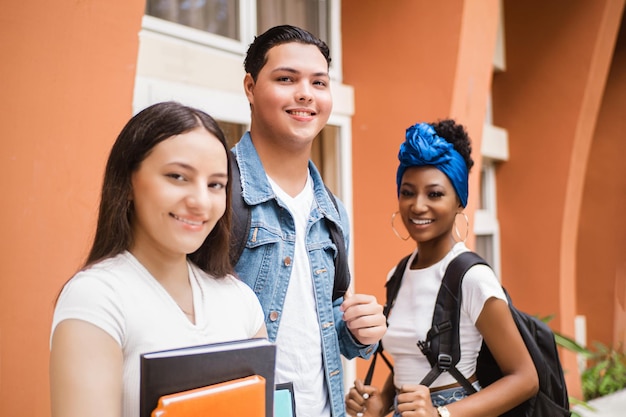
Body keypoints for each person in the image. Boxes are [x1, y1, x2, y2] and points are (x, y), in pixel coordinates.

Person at [49, 101, 267, 417]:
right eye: (178, 176)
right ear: (127, 183)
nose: (200, 201)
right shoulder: (96, 298)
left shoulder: (239, 299)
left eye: (216, 184)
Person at [231, 25, 387, 417]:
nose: (305, 93)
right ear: (250, 87)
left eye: (319, 82)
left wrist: (356, 329)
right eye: (286, 79)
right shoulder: (218, 190)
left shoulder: (332, 210)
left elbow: (326, 315)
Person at [345, 120, 539, 417]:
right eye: (408, 192)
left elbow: (525, 379)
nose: (418, 206)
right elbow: (415, 360)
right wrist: (382, 402)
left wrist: (441, 414)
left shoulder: (472, 277)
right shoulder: (398, 275)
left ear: (459, 201)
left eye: (434, 194)